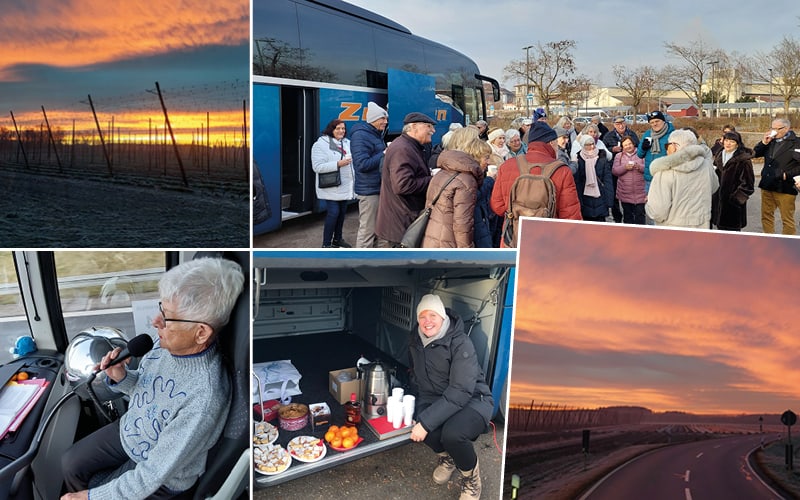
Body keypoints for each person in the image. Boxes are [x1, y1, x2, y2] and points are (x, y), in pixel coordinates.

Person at [61, 257, 245, 500]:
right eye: (161, 309)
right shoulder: (165, 344)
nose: (155, 322)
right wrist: (122, 378)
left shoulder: (204, 398)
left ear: (201, 332)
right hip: (134, 429)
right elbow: (151, 392)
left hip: (163, 477)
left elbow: (151, 475)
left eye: (167, 318)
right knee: (69, 464)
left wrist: (89, 497)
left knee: (88, 488)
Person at [409, 294, 493, 500]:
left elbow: (461, 390)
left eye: (433, 315)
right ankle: (448, 459)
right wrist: (412, 406)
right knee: (421, 424)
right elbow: (415, 375)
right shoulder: (415, 340)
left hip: (473, 399)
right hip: (437, 397)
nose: (427, 321)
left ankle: (471, 478)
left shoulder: (460, 342)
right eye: (422, 316)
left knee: (452, 434)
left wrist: (426, 422)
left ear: (443, 317)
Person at [490, 121, 582, 245]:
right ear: (551, 143)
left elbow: (498, 206)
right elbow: (570, 216)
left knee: (513, 264)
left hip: (514, 238)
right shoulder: (561, 170)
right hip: (548, 241)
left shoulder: (507, 166)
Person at [375, 112, 436, 246]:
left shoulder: (408, 146)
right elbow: (403, 185)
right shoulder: (403, 149)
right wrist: (432, 179)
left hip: (402, 218)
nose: (433, 130)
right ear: (413, 127)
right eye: (429, 126)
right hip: (401, 222)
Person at [645, 128, 719, 228]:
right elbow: (714, 186)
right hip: (701, 225)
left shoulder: (665, 171)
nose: (666, 149)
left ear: (674, 146)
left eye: (668, 145)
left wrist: (648, 207)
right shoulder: (706, 165)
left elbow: (658, 212)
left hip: (673, 229)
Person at [422, 139, 487, 248]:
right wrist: (466, 252)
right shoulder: (466, 181)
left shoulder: (443, 172)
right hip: (448, 242)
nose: (488, 162)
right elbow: (462, 223)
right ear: (477, 157)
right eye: (487, 157)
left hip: (432, 236)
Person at [310, 119, 355, 247]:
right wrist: (338, 164)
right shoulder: (320, 145)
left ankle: (337, 239)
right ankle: (326, 244)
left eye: (343, 129)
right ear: (331, 130)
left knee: (341, 214)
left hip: (345, 185)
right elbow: (317, 167)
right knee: (333, 213)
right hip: (331, 186)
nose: (341, 131)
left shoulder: (347, 143)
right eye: (338, 128)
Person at [752, 118, 800, 235]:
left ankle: (788, 245)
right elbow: (755, 153)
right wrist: (764, 142)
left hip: (785, 186)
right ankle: (769, 241)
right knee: (766, 216)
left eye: (778, 128)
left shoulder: (797, 142)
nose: (774, 131)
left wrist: (786, 175)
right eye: (772, 128)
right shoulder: (770, 141)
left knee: (787, 219)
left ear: (787, 128)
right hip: (767, 184)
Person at [350, 102, 388, 248]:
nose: (385, 122)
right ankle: (362, 262)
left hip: (377, 188)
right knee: (368, 231)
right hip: (369, 191)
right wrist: (384, 153)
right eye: (382, 119)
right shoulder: (361, 136)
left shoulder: (374, 134)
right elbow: (362, 164)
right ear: (373, 119)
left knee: (380, 230)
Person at [712, 131, 755, 231]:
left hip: (732, 206)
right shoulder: (719, 155)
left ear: (737, 144)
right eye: (726, 140)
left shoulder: (743, 160)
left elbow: (748, 185)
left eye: (732, 141)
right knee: (720, 233)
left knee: (732, 237)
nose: (728, 144)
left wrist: (736, 200)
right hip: (718, 202)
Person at [603, 116, 640, 223]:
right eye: (618, 124)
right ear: (614, 125)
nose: (621, 125)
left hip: (632, 169)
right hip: (614, 168)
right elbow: (603, 150)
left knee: (630, 193)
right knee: (615, 194)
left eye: (622, 123)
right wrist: (612, 149)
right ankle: (618, 218)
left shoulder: (632, 134)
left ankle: (633, 216)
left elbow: (638, 148)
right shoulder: (608, 136)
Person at [573, 135, 614, 222]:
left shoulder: (602, 157)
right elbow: (577, 183)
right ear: (583, 145)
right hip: (585, 198)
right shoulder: (577, 159)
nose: (591, 147)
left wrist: (609, 200)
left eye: (593, 144)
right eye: (588, 144)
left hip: (600, 196)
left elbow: (608, 180)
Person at [638, 110, 676, 196]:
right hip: (650, 177)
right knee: (650, 205)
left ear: (663, 121)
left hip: (666, 177)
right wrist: (643, 148)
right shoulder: (647, 134)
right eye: (652, 122)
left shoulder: (672, 134)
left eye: (657, 121)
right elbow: (639, 155)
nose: (655, 124)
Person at [611, 136, 647, 224]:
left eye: (629, 144)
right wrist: (625, 167)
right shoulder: (619, 156)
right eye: (625, 145)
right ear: (623, 147)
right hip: (625, 192)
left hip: (640, 192)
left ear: (633, 143)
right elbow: (615, 171)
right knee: (627, 216)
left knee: (640, 216)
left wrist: (639, 167)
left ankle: (641, 235)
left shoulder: (642, 154)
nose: (628, 146)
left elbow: (648, 169)